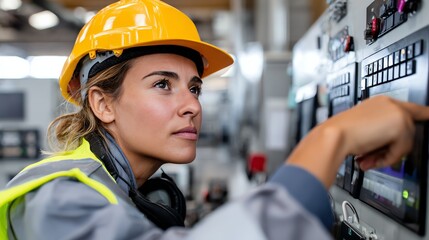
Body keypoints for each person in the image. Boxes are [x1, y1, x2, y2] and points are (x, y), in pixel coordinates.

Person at [0, 0, 429, 239]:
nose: (191, 105)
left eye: (194, 87)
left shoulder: (130, 189)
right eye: (163, 84)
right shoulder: (59, 198)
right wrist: (331, 137)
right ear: (102, 103)